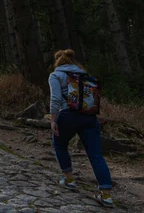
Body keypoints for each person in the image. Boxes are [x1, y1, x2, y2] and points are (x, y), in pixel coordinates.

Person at [49, 49, 114, 208]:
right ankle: (106, 196)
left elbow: (56, 98)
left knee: (59, 144)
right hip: (89, 118)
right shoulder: (85, 76)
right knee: (96, 155)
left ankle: (69, 179)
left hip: (67, 115)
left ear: (58, 62)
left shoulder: (55, 75)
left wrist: (53, 119)